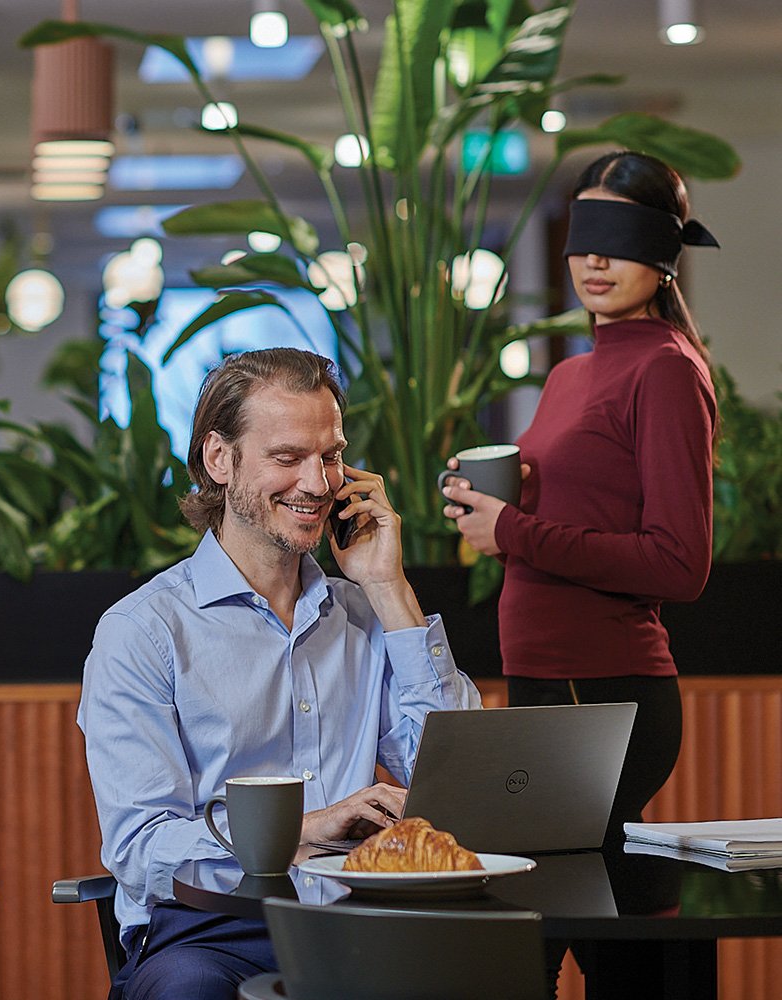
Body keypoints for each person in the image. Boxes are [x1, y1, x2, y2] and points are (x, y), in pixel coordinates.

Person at [81, 348, 482, 1000]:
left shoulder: (366, 614)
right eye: (288, 458)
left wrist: (389, 588)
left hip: (368, 917)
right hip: (212, 930)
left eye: (330, 457)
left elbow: (463, 785)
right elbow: (141, 847)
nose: (319, 485)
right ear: (220, 459)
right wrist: (302, 829)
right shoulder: (143, 631)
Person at [442, 150, 719, 839]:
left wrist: (513, 531)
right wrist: (508, 499)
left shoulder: (665, 370)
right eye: (584, 238)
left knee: (568, 920)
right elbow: (577, 513)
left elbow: (680, 564)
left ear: (664, 252)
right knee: (578, 919)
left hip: (603, 685)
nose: (595, 260)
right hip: (538, 674)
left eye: (619, 239)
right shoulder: (571, 375)